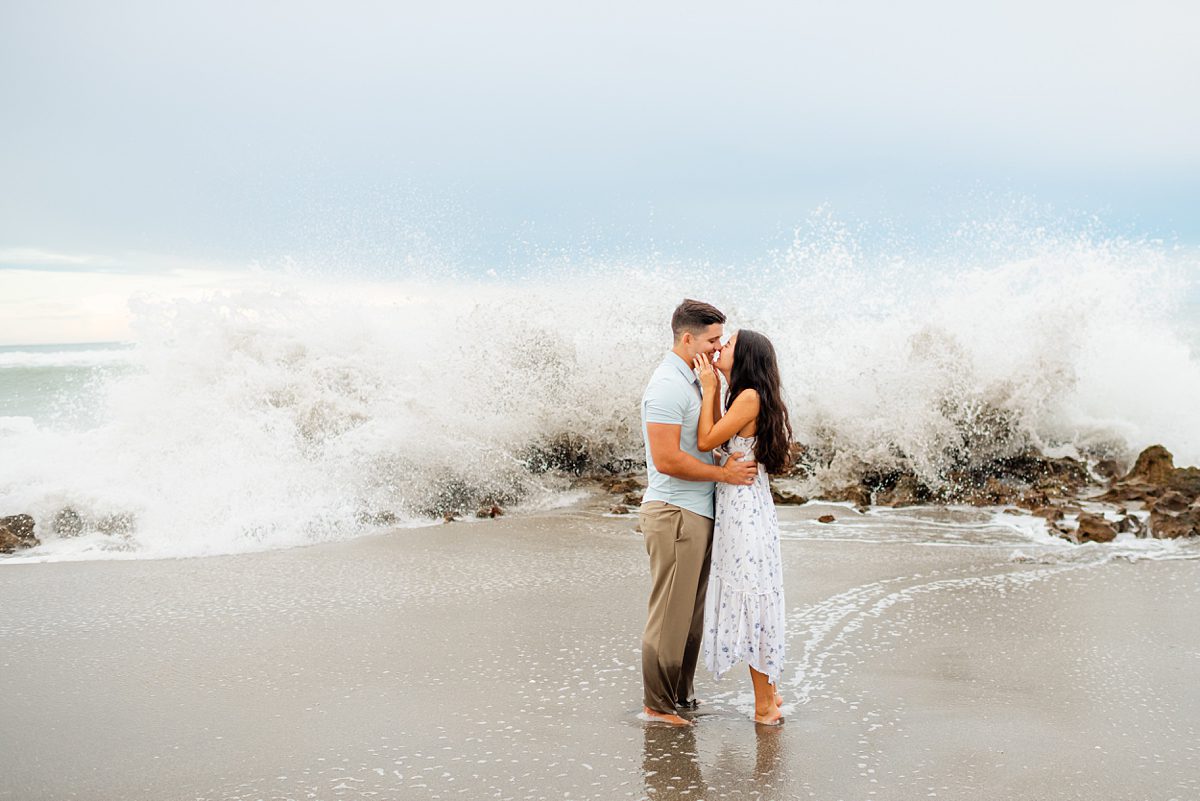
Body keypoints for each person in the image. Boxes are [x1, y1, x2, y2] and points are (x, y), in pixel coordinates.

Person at [639, 299, 760, 727]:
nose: (716, 348)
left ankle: (679, 697)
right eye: (711, 341)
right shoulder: (668, 385)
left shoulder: (694, 381)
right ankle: (657, 705)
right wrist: (722, 475)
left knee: (690, 619)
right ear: (687, 338)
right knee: (669, 615)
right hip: (674, 512)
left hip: (697, 513)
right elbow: (667, 459)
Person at [693, 330, 793, 725]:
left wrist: (706, 386)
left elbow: (705, 440)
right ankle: (769, 692)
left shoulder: (748, 396)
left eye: (729, 344)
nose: (720, 348)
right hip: (747, 504)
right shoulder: (745, 396)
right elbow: (722, 441)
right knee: (757, 593)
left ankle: (764, 704)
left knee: (753, 598)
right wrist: (717, 389)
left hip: (743, 508)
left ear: (746, 356)